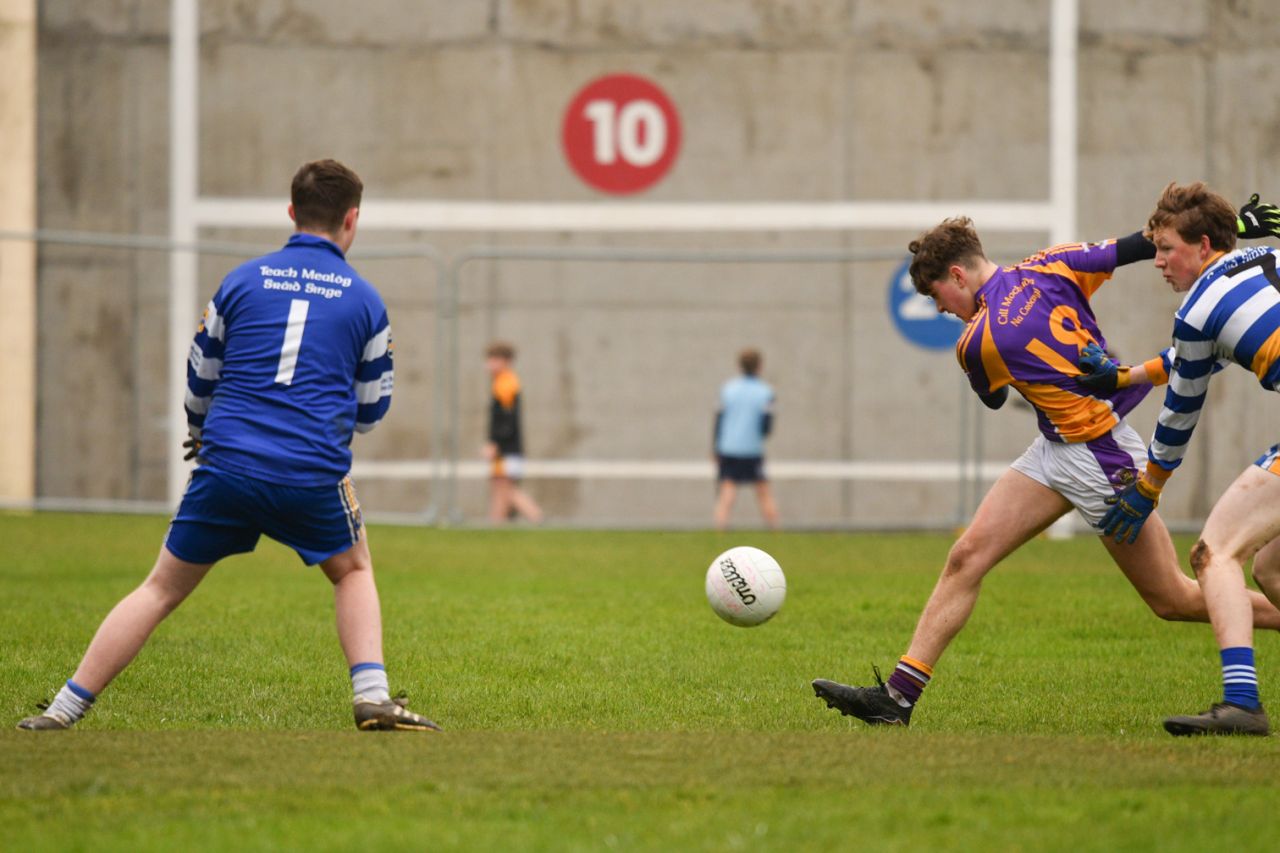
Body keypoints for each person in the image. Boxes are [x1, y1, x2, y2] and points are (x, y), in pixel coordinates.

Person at [812, 197, 1280, 728]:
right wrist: (1234, 225)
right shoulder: (1051, 262)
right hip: (1055, 449)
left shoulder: (976, 341)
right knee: (967, 556)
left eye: (937, 295)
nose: (941, 309)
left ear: (958, 274)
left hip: (1099, 457)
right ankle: (897, 699)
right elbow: (1138, 245)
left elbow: (991, 396)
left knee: (1173, 598)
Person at [17, 159, 440, 733]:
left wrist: (199, 432)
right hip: (310, 473)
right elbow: (371, 410)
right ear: (352, 220)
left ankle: (62, 711)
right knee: (352, 570)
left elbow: (200, 377)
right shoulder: (366, 302)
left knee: (160, 588)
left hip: (229, 464)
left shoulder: (240, 281)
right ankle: (371, 695)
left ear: (291, 213)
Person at [1092, 184, 1280, 736]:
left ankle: (1242, 703)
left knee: (1214, 552)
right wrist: (1126, 378)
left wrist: (1149, 486)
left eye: (1166, 248)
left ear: (1202, 246)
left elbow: (1180, 412)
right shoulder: (1266, 257)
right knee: (1270, 567)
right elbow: (1200, 355)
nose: (1158, 262)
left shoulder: (1198, 308)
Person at [713, 348, 779, 530]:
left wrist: (716, 448)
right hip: (751, 449)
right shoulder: (765, 392)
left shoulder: (728, 389)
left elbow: (718, 419)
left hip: (729, 448)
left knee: (727, 493)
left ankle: (719, 531)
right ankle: (775, 530)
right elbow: (767, 425)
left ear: (739, 366)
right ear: (759, 366)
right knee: (763, 493)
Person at [484, 341, 542, 524]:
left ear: (506, 361)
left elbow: (507, 420)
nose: (490, 364)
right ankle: (496, 525)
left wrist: (495, 443)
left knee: (506, 489)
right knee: (500, 489)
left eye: (495, 359)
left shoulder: (506, 384)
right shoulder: (502, 382)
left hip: (507, 449)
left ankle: (536, 516)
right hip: (508, 448)